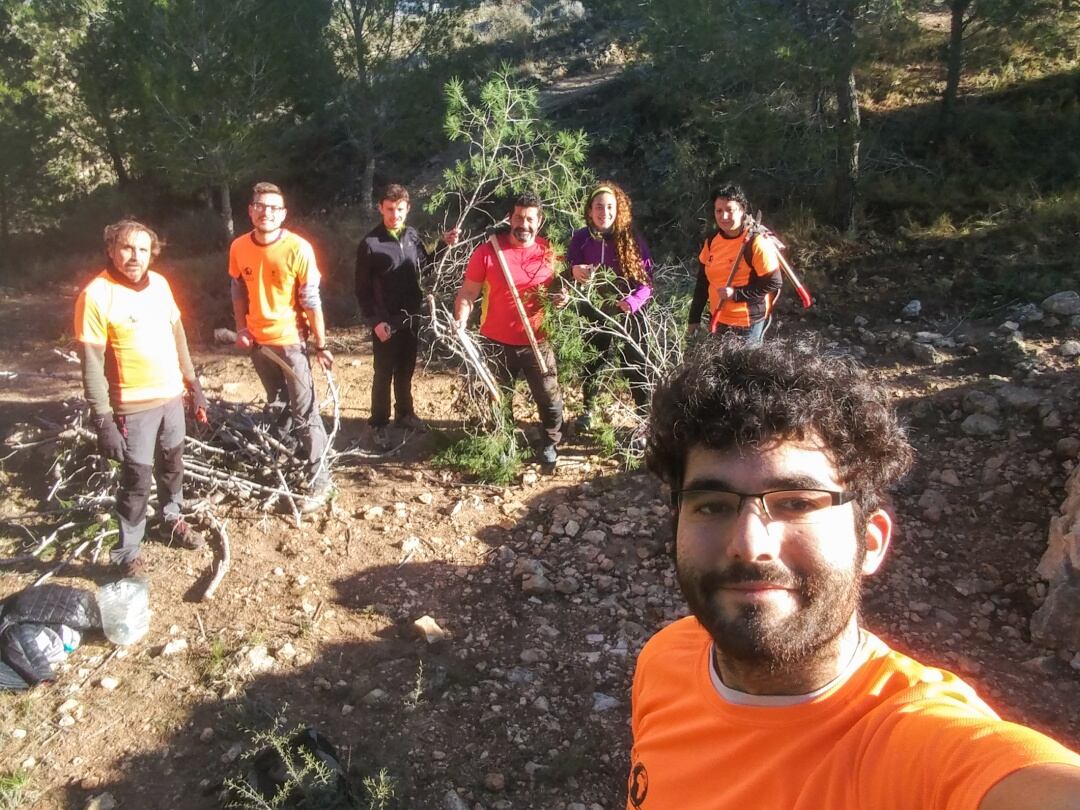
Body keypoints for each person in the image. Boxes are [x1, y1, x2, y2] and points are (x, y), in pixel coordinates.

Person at [629, 336, 1080, 809]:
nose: (749, 545)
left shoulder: (919, 744)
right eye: (712, 506)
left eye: (798, 503)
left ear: (870, 541)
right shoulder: (665, 659)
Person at [74, 219, 208, 576]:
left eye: (143, 249)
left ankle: (171, 520)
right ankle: (126, 551)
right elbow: (91, 366)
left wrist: (194, 388)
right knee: (136, 480)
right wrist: (103, 420)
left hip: (171, 399)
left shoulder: (161, 286)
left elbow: (178, 338)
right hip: (132, 407)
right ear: (111, 249)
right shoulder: (96, 295)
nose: (135, 256)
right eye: (127, 248)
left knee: (172, 466)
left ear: (153, 253)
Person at [229, 182, 332, 507]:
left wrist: (321, 344)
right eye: (260, 205)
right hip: (259, 344)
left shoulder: (298, 248)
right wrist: (241, 328)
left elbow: (311, 299)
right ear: (251, 210)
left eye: (273, 208)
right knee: (277, 404)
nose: (266, 212)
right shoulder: (239, 247)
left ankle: (319, 480)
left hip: (292, 342)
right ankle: (290, 462)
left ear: (283, 213)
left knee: (304, 411)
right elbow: (236, 289)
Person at [453, 192, 565, 465]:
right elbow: (468, 293)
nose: (523, 224)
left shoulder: (549, 253)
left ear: (539, 221)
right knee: (498, 397)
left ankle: (551, 442)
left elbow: (558, 295)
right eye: (518, 217)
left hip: (537, 340)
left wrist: (562, 300)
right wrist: (461, 320)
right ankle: (504, 442)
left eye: (529, 219)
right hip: (495, 341)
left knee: (549, 397)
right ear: (510, 218)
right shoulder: (487, 251)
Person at [355, 184, 459, 446]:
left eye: (400, 209)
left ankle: (405, 414)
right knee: (383, 373)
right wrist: (376, 322)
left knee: (406, 369)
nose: (395, 215)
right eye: (389, 209)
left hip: (411, 317)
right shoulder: (370, 244)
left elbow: (425, 267)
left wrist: (445, 246)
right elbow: (362, 291)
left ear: (407, 209)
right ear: (380, 208)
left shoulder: (411, 236)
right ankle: (378, 423)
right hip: (386, 322)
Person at [564, 181, 653, 432]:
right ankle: (588, 411)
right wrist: (573, 270)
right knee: (593, 361)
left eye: (610, 207)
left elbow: (647, 284)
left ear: (619, 209)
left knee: (634, 363)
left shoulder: (631, 239)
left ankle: (644, 420)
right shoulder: (581, 239)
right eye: (599, 207)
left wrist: (632, 302)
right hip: (594, 309)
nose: (605, 212)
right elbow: (565, 273)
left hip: (629, 312)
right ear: (590, 210)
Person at [687, 184, 782, 344]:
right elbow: (703, 283)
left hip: (747, 324)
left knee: (745, 369)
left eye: (730, 210)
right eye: (719, 211)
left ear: (742, 210)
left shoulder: (756, 242)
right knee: (719, 368)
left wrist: (737, 294)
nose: (724, 216)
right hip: (717, 318)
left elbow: (774, 282)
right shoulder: (711, 241)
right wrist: (694, 319)